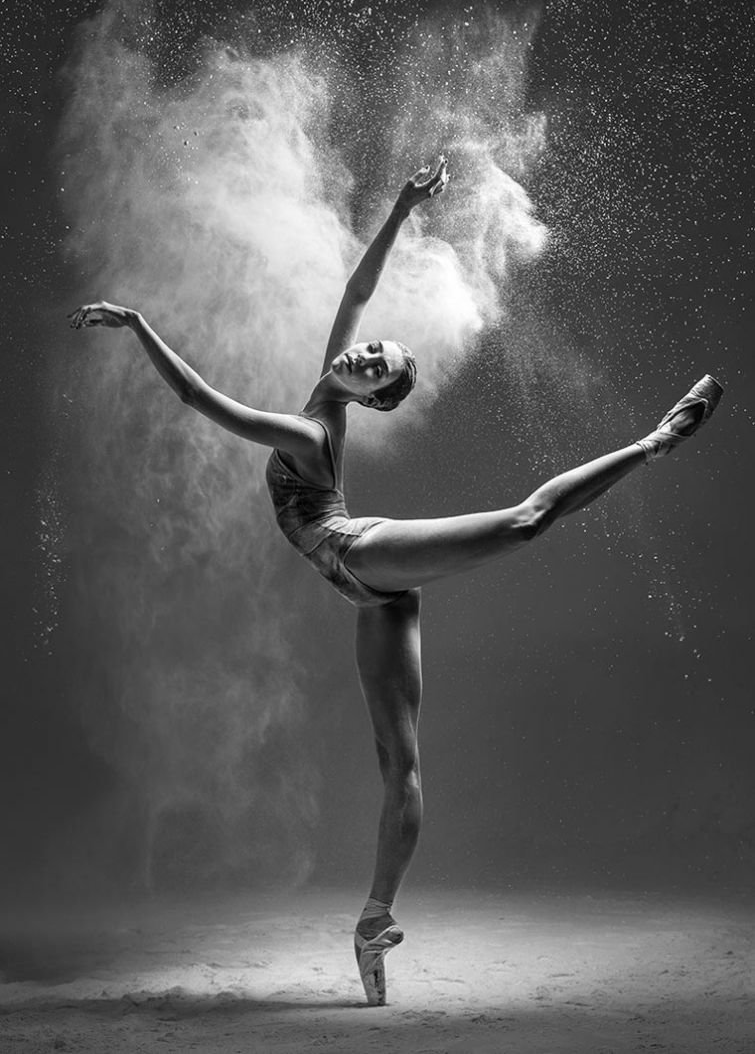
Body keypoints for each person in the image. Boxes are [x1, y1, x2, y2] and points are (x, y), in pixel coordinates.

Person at [69, 156, 722, 1006]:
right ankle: (373, 922)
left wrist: (135, 321)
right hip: (361, 583)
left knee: (525, 521)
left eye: (374, 367)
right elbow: (358, 288)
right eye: (371, 350)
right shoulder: (328, 387)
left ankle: (654, 441)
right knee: (399, 767)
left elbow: (197, 397)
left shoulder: (310, 431)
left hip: (357, 551)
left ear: (371, 399)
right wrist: (405, 206)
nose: (363, 353)